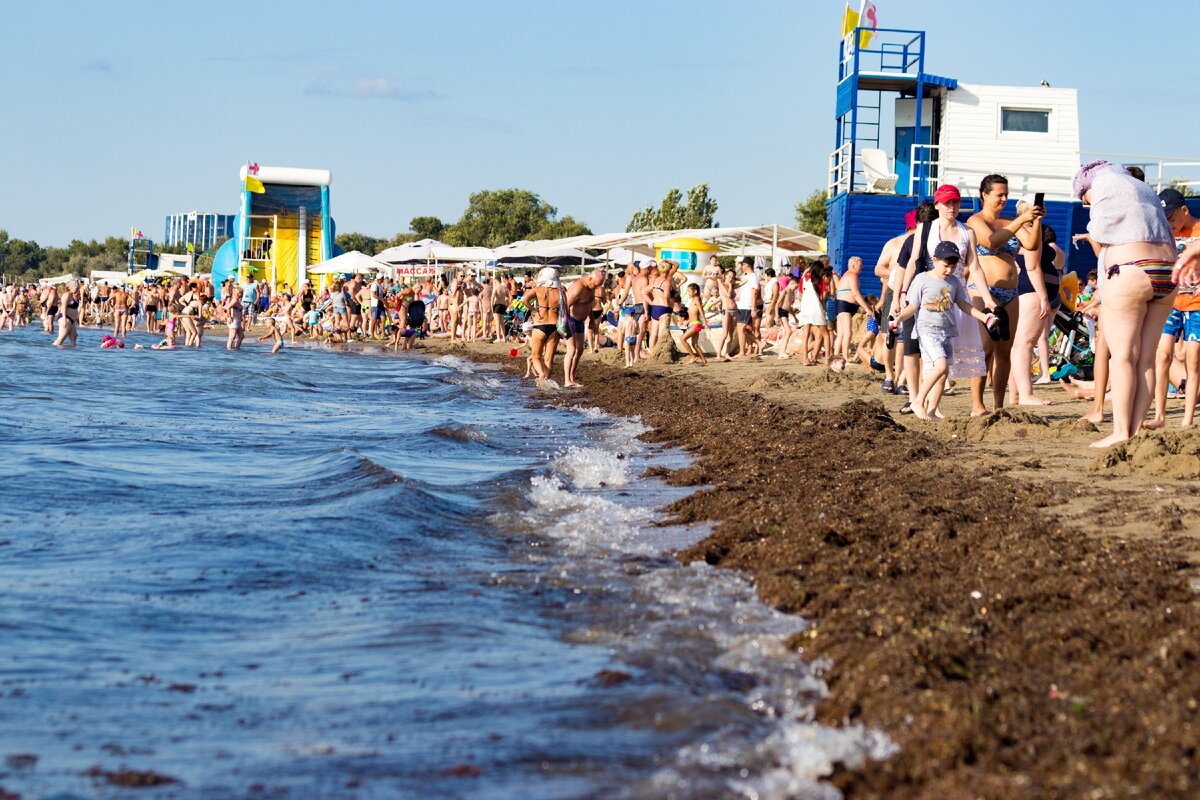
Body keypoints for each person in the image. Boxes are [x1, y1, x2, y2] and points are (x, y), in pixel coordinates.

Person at [1073, 160, 1177, 448]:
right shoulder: (1143, 188)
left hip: (1131, 269)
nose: (1085, 203)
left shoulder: (1102, 189)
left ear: (1087, 186)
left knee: (1122, 357)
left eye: (1084, 199)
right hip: (1168, 272)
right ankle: (1134, 429)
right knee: (1146, 358)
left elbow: (1101, 232)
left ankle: (1121, 432)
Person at [898, 189, 994, 415]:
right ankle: (925, 404)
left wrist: (988, 299)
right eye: (947, 203)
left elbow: (976, 268)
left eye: (956, 203)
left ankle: (932, 408)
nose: (952, 207)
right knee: (933, 356)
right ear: (938, 205)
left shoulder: (967, 232)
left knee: (948, 356)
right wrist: (903, 292)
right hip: (929, 295)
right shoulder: (926, 228)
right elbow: (913, 261)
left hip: (956, 293)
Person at [894, 241, 999, 421]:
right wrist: (898, 319)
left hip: (947, 331)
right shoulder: (922, 279)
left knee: (944, 373)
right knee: (940, 366)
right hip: (927, 330)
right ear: (934, 260)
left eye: (953, 266)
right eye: (945, 265)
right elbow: (912, 306)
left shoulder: (954, 281)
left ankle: (932, 410)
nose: (949, 270)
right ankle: (918, 401)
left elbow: (964, 304)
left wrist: (984, 317)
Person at [967, 175, 1044, 412]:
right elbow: (990, 242)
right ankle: (977, 404)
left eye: (1006, 194)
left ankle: (998, 405)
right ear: (984, 195)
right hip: (981, 291)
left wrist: (1036, 220)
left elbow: (1031, 244)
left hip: (1010, 294)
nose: (1004, 199)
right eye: (999, 194)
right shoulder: (975, 220)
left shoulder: (1010, 221)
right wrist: (1021, 219)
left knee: (1004, 352)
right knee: (984, 348)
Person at [1148, 188, 1200, 429]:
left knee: (1192, 360)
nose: (1169, 223)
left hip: (1197, 305)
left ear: (1184, 210)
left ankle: (1187, 419)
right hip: (1172, 302)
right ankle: (1159, 415)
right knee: (1162, 355)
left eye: (1171, 218)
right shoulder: (1166, 234)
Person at [1007, 197, 1054, 406]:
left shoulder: (1012, 229)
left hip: (1016, 290)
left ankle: (1016, 394)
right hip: (1030, 290)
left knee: (1016, 346)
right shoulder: (1030, 234)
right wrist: (1044, 298)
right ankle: (1026, 394)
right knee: (1024, 345)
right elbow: (1033, 267)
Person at [520, 267, 565, 385]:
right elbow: (566, 308)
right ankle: (546, 382)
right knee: (549, 359)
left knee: (535, 356)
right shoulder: (561, 291)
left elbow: (524, 300)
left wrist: (534, 310)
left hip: (540, 325)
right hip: (555, 327)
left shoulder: (538, 289)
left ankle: (540, 374)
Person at [563, 269, 603, 388]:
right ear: (590, 279)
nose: (596, 287)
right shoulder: (578, 287)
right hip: (570, 319)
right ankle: (567, 381)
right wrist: (564, 324)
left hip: (581, 321)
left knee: (579, 351)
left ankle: (572, 377)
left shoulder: (591, 289)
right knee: (571, 350)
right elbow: (565, 305)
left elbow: (589, 305)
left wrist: (590, 319)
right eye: (596, 285)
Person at [832, 256, 872, 366]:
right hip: (844, 305)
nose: (861, 268)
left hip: (843, 305)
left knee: (841, 334)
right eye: (860, 266)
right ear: (853, 266)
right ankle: (845, 357)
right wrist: (867, 308)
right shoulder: (851, 275)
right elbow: (855, 293)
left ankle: (835, 358)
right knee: (847, 333)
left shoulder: (848, 275)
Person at [647, 259, 679, 354]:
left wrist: (651, 303)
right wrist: (668, 300)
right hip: (664, 308)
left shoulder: (655, 280)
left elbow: (644, 292)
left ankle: (652, 353)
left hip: (655, 308)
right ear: (669, 270)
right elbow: (677, 264)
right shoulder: (668, 280)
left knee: (653, 334)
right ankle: (660, 354)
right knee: (662, 334)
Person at [733, 257, 760, 359]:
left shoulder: (753, 277)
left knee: (741, 329)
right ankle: (759, 343)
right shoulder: (747, 276)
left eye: (742, 264)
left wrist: (753, 309)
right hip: (742, 305)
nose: (742, 266)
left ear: (747, 265)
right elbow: (737, 285)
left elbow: (754, 294)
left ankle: (742, 351)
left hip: (747, 306)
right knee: (742, 329)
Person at [679, 283, 708, 366]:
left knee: (682, 339)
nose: (688, 293)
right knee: (694, 345)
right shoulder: (693, 300)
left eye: (689, 291)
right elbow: (692, 314)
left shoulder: (696, 299)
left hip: (696, 324)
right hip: (693, 324)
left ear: (695, 291)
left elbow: (701, 312)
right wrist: (687, 322)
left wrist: (705, 324)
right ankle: (704, 361)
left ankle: (692, 356)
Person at [52, 283, 79, 347]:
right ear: (70, 288)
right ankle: (53, 350)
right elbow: (63, 307)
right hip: (65, 317)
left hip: (72, 320)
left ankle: (71, 354)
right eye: (76, 288)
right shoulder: (66, 295)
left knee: (74, 337)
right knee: (62, 337)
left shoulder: (72, 296)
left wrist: (76, 320)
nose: (77, 289)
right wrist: (64, 320)